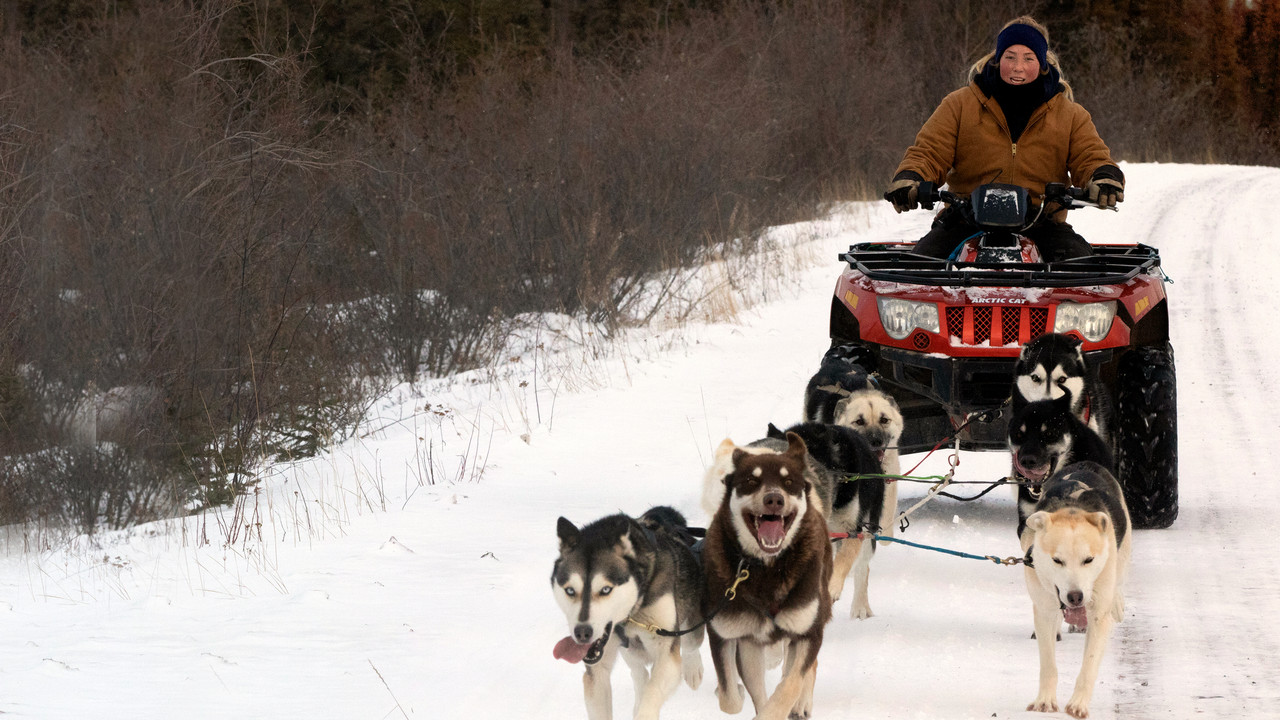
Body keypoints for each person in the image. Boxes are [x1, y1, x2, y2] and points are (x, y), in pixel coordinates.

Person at [884, 16, 1124, 262]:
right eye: (1010, 57)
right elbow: (929, 151)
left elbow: (1090, 155)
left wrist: (1103, 176)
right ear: (998, 59)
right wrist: (912, 176)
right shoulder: (960, 105)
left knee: (1079, 271)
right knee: (921, 269)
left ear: (1042, 64)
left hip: (1042, 223)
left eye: (1028, 58)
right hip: (965, 220)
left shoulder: (1070, 115)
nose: (1018, 67)